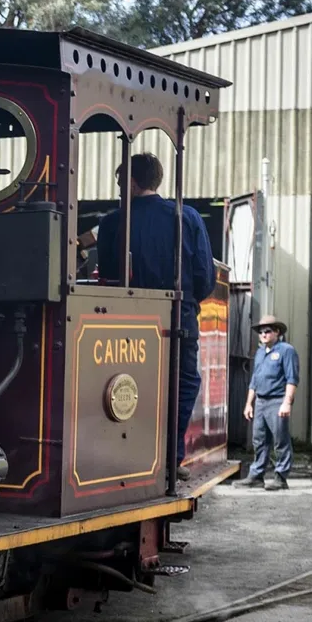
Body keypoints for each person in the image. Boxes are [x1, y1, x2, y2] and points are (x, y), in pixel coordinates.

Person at [96, 153, 216, 477]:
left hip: (124, 318)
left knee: (122, 384)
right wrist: (185, 302)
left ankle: (127, 454)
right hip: (179, 316)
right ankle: (170, 457)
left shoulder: (111, 222)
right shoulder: (187, 217)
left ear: (133, 183)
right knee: (183, 383)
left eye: (121, 182)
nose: (119, 189)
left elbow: (106, 276)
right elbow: (205, 276)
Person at [241, 314, 300, 490]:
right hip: (260, 401)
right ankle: (256, 476)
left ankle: (281, 477)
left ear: (277, 332)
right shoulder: (260, 352)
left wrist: (286, 403)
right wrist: (249, 403)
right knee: (259, 440)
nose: (263, 334)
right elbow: (254, 380)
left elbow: (292, 379)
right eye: (260, 332)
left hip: (277, 400)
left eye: (267, 331)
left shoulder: (286, 351)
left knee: (280, 440)